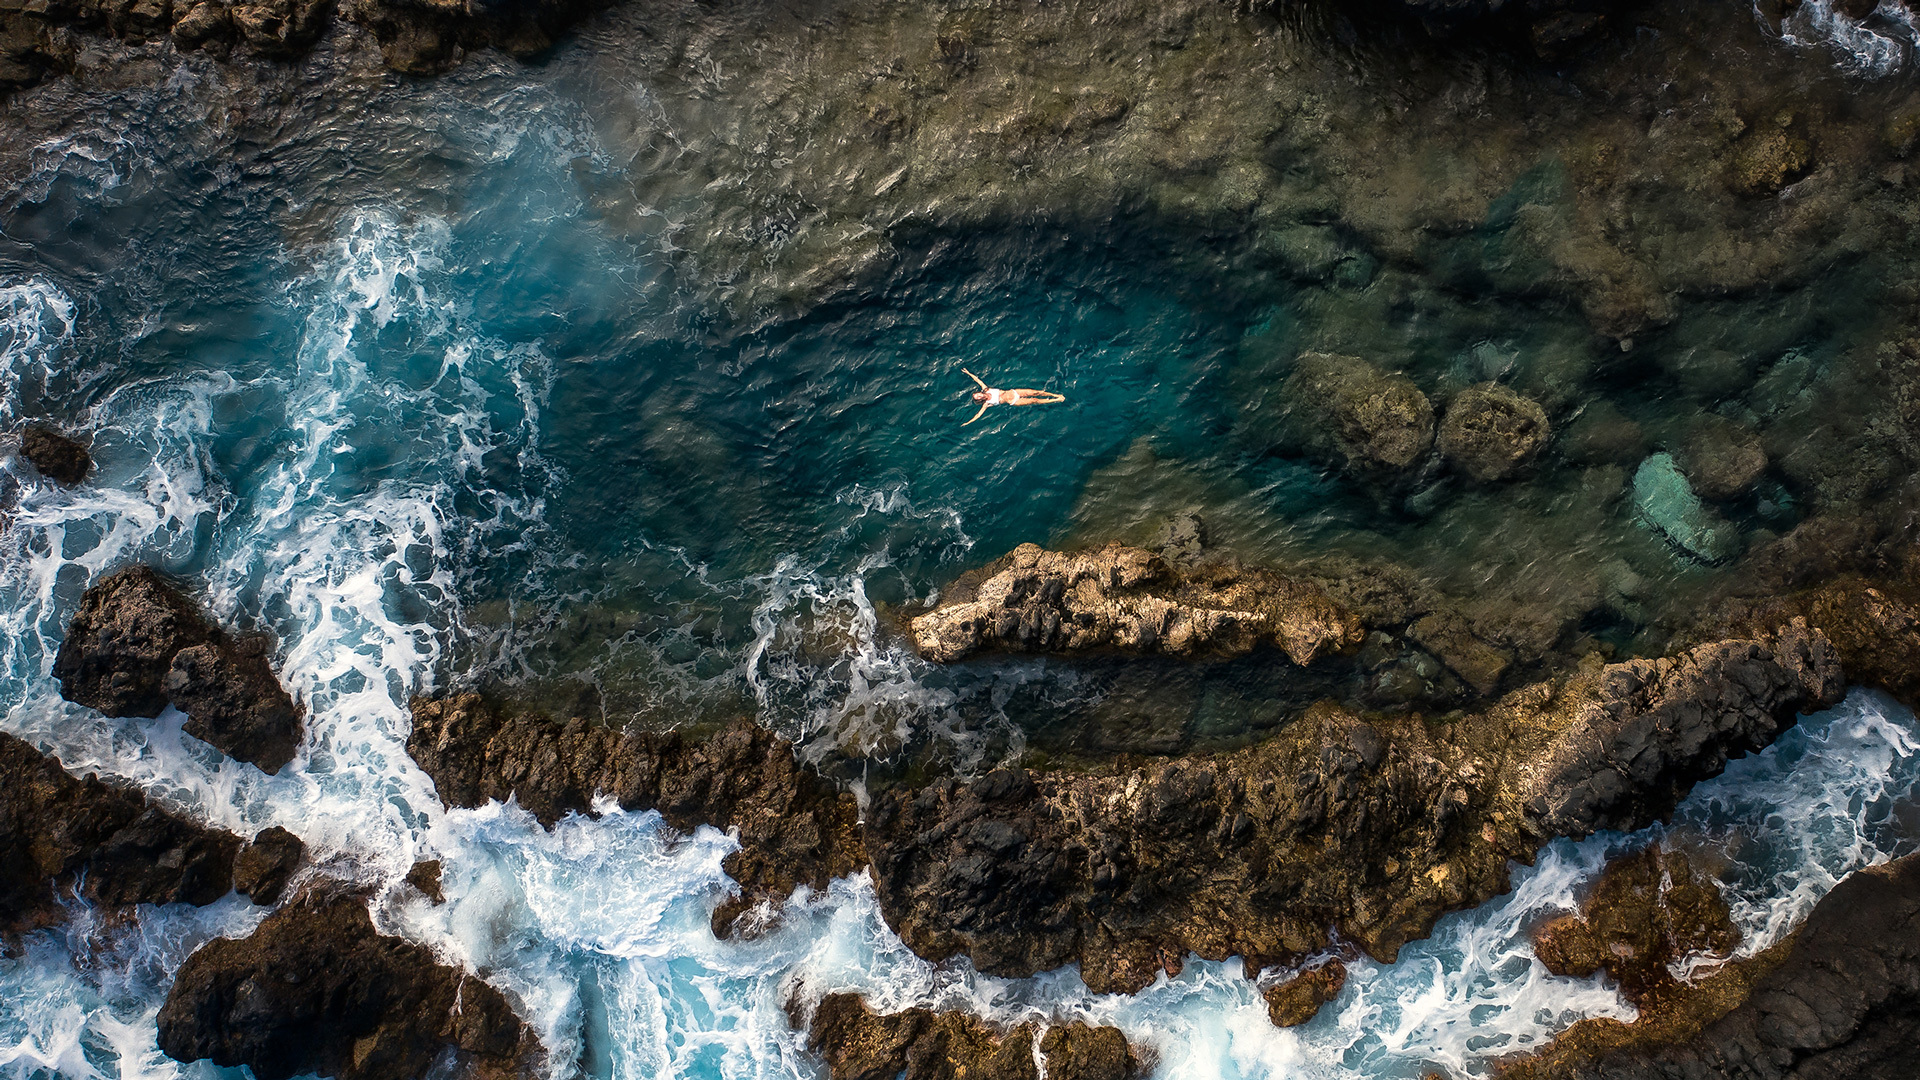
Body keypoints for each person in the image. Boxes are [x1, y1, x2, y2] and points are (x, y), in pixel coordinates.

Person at [961, 368, 1066, 425]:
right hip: (1013, 401)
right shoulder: (986, 404)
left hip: (1014, 392)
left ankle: (1054, 395)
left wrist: (968, 373)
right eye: (977, 398)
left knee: (1035, 393)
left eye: (977, 394)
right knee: (1035, 400)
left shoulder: (986, 389)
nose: (979, 396)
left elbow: (978, 380)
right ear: (979, 400)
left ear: (979, 392)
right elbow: (978, 415)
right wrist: (968, 422)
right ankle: (1056, 400)